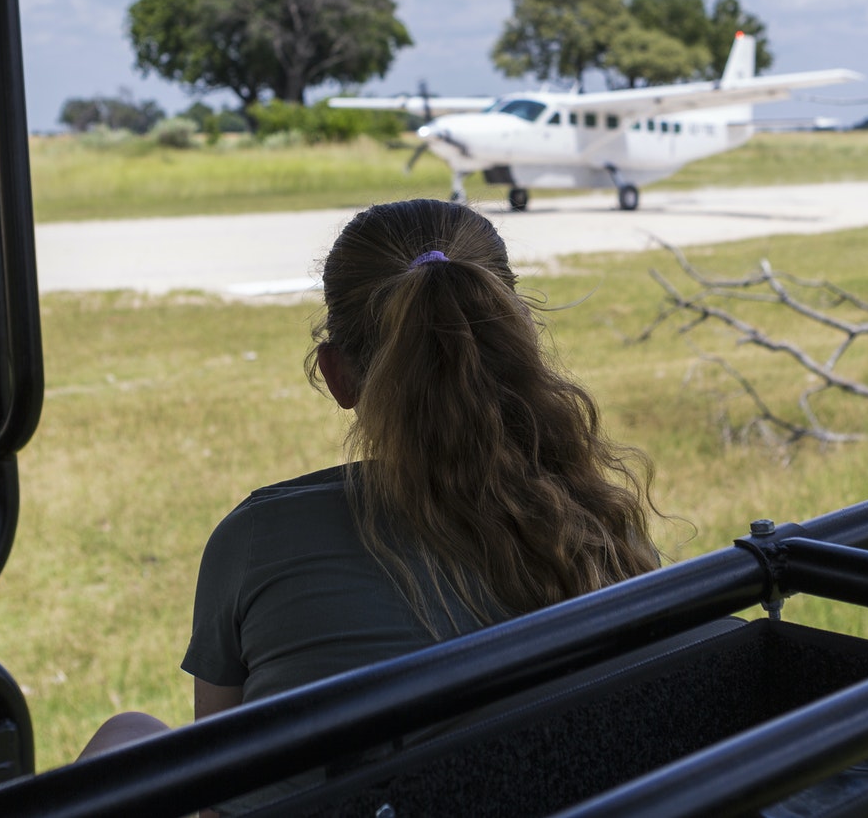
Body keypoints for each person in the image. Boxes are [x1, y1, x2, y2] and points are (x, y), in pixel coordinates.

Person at [81, 197, 659, 762]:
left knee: (127, 732)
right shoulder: (602, 530)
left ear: (337, 377)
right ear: (521, 344)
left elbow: (221, 787)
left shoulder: (257, 537)